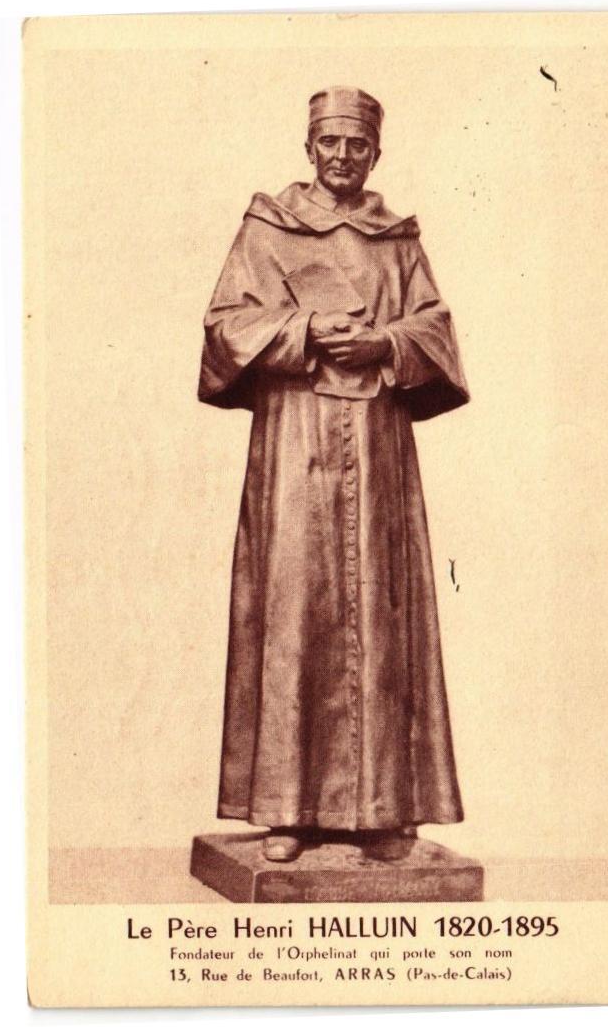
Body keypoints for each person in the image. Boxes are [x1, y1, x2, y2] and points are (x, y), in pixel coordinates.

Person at [198, 87, 470, 862]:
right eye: (329, 143)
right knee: (293, 604)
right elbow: (224, 326)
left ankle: (382, 812)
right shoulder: (268, 227)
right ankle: (286, 811)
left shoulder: (396, 239)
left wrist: (386, 345)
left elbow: (434, 328)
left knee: (381, 608)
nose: (342, 157)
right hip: (296, 437)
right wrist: (307, 329)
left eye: (357, 145)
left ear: (374, 154)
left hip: (377, 443)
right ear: (309, 148)